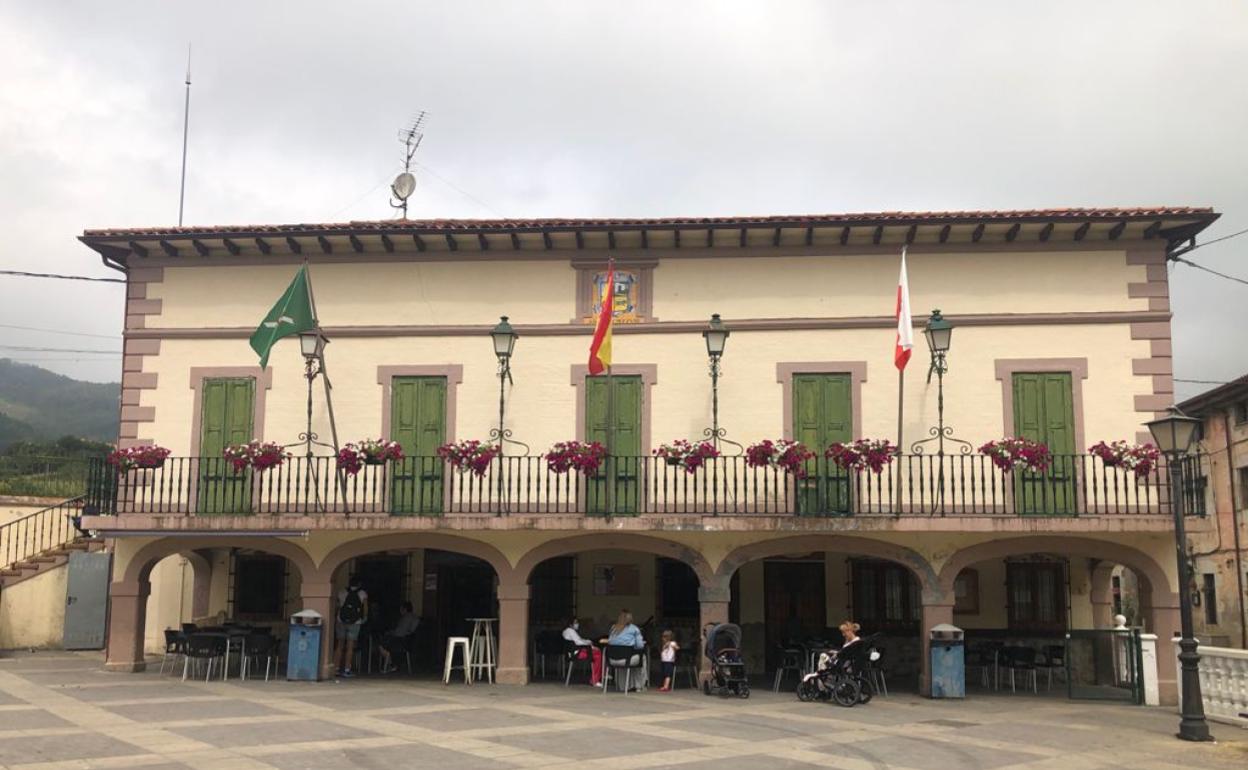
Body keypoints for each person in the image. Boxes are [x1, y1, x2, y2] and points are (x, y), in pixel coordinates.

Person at [334, 575, 368, 678]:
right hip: (355, 622)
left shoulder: (342, 592)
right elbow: (365, 608)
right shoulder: (362, 593)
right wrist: (364, 618)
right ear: (359, 584)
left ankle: (335, 668)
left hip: (341, 620)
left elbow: (338, 606)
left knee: (339, 645)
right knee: (350, 646)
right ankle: (347, 670)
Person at [378, 601, 420, 674]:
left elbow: (399, 632)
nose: (400, 611)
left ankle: (391, 664)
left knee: (381, 645)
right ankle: (392, 663)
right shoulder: (415, 617)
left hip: (400, 641)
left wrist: (390, 633)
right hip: (408, 641)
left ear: (405, 609)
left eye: (401, 609)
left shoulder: (405, 618)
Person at [562, 617, 603, 686]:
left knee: (597, 651)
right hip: (577, 653)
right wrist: (589, 642)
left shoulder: (566, 631)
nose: (577, 624)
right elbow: (578, 642)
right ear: (570, 624)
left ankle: (600, 674)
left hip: (573, 652)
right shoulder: (571, 631)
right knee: (598, 654)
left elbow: (579, 640)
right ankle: (595, 679)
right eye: (575, 623)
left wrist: (587, 642)